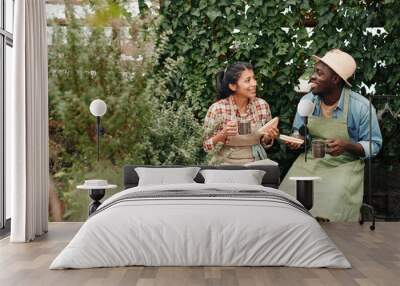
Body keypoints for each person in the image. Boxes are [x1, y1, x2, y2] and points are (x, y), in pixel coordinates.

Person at [279, 49, 383, 222]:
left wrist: (347, 145)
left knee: (330, 210)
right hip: (310, 162)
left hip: (345, 166)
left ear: (335, 79)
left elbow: (374, 145)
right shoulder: (307, 101)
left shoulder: (361, 107)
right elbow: (299, 132)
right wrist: (298, 139)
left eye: (319, 73)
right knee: (286, 203)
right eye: (314, 71)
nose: (312, 77)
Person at [203, 62, 279, 165]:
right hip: (224, 167)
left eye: (254, 78)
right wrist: (222, 135)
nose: (254, 83)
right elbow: (206, 146)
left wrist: (268, 137)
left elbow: (263, 142)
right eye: (248, 80)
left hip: (256, 165)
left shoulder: (262, 105)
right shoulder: (217, 109)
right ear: (233, 86)